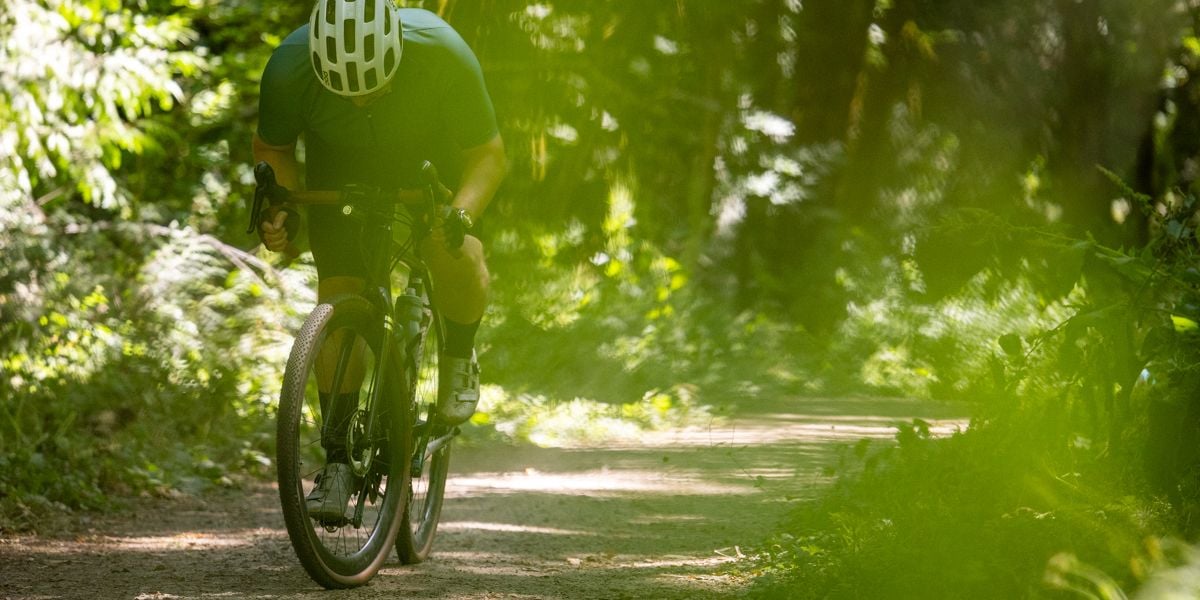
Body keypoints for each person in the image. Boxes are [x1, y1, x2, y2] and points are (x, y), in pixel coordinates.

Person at [253, 0, 506, 520]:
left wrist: (460, 213)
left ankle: (459, 353)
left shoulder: (441, 53)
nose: (364, 99)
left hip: (427, 153)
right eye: (349, 90)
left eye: (375, 87)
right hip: (339, 161)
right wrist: (282, 208)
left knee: (448, 249)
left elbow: (489, 155)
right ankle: (339, 459)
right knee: (340, 291)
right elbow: (272, 149)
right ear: (319, 65)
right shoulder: (288, 65)